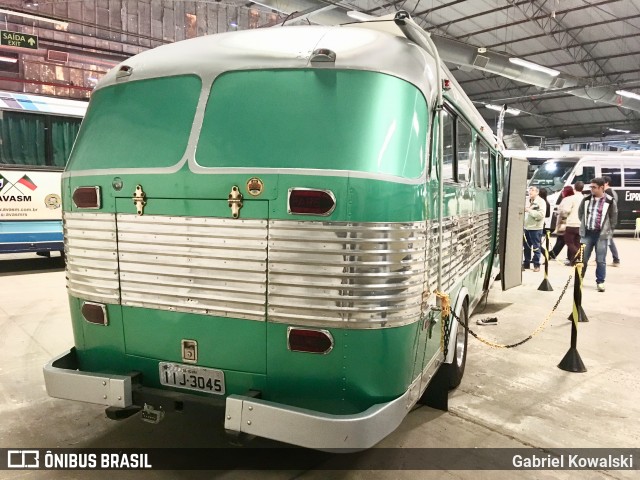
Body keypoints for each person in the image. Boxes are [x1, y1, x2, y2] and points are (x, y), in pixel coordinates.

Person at [578, 177, 618, 292]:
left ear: (602, 187)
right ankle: (579, 279)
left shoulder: (610, 201)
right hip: (587, 234)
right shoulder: (586, 200)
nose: (592, 189)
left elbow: (613, 218)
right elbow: (581, 214)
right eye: (591, 187)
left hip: (601, 236)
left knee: (600, 260)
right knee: (583, 259)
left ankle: (600, 282)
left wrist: (608, 231)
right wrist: (584, 225)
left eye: (594, 187)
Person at [523, 186, 546, 272]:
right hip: (526, 227)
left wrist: (529, 211)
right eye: (529, 190)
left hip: (536, 228)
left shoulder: (541, 202)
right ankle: (526, 263)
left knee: (536, 247)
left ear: (537, 192)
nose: (530, 192)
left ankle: (536, 264)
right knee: (526, 247)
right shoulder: (527, 201)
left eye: (532, 190)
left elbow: (540, 215)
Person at [549, 185, 574, 262]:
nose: (562, 192)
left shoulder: (566, 200)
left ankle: (553, 255)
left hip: (564, 223)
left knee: (563, 240)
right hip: (568, 223)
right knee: (565, 240)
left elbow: (564, 211)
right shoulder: (572, 198)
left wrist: (558, 212)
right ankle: (553, 254)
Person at [563, 181, 584, 265]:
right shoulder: (585, 198)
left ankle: (580, 256)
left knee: (569, 242)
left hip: (571, 223)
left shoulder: (570, 198)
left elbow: (566, 211)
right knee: (577, 243)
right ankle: (574, 261)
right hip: (581, 224)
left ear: (574, 187)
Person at [602, 175, 621, 267]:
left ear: (606, 183)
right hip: (609, 220)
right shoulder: (612, 192)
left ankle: (616, 259)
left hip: (608, 220)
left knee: (609, 240)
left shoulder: (608, 193)